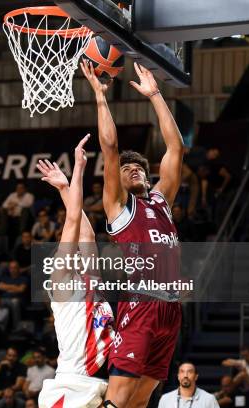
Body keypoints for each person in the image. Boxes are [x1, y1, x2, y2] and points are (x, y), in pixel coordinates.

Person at [81, 59, 184, 408]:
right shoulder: (119, 207)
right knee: (119, 398)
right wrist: (99, 96)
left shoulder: (160, 201)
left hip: (170, 309)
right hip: (140, 304)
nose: (134, 170)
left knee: (141, 401)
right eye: (127, 169)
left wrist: (155, 94)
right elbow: (109, 148)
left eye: (139, 167)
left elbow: (176, 149)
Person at [35, 135, 115, 408]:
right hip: (72, 384)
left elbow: (88, 235)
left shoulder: (90, 281)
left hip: (99, 382)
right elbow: (71, 220)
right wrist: (77, 171)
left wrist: (63, 188)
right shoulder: (62, 285)